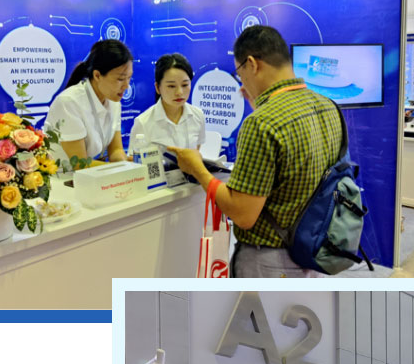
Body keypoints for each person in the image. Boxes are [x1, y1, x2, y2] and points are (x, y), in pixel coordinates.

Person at [162, 25, 344, 277]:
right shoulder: (328, 106)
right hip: (312, 252)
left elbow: (242, 213)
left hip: (270, 263)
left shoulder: (262, 123)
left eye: (240, 73)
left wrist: (198, 168)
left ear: (252, 64)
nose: (242, 81)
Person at [44, 39, 132, 170]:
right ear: (97, 75)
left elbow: (116, 150)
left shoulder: (114, 102)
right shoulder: (69, 103)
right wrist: (119, 168)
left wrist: (127, 163)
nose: (126, 86)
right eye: (120, 79)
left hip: (95, 175)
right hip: (63, 178)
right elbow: (80, 164)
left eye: (129, 78)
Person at [129, 54, 206, 156]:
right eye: (171, 86)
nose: (179, 92)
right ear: (158, 87)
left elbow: (195, 154)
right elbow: (134, 161)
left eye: (185, 85)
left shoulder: (198, 115)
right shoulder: (143, 122)